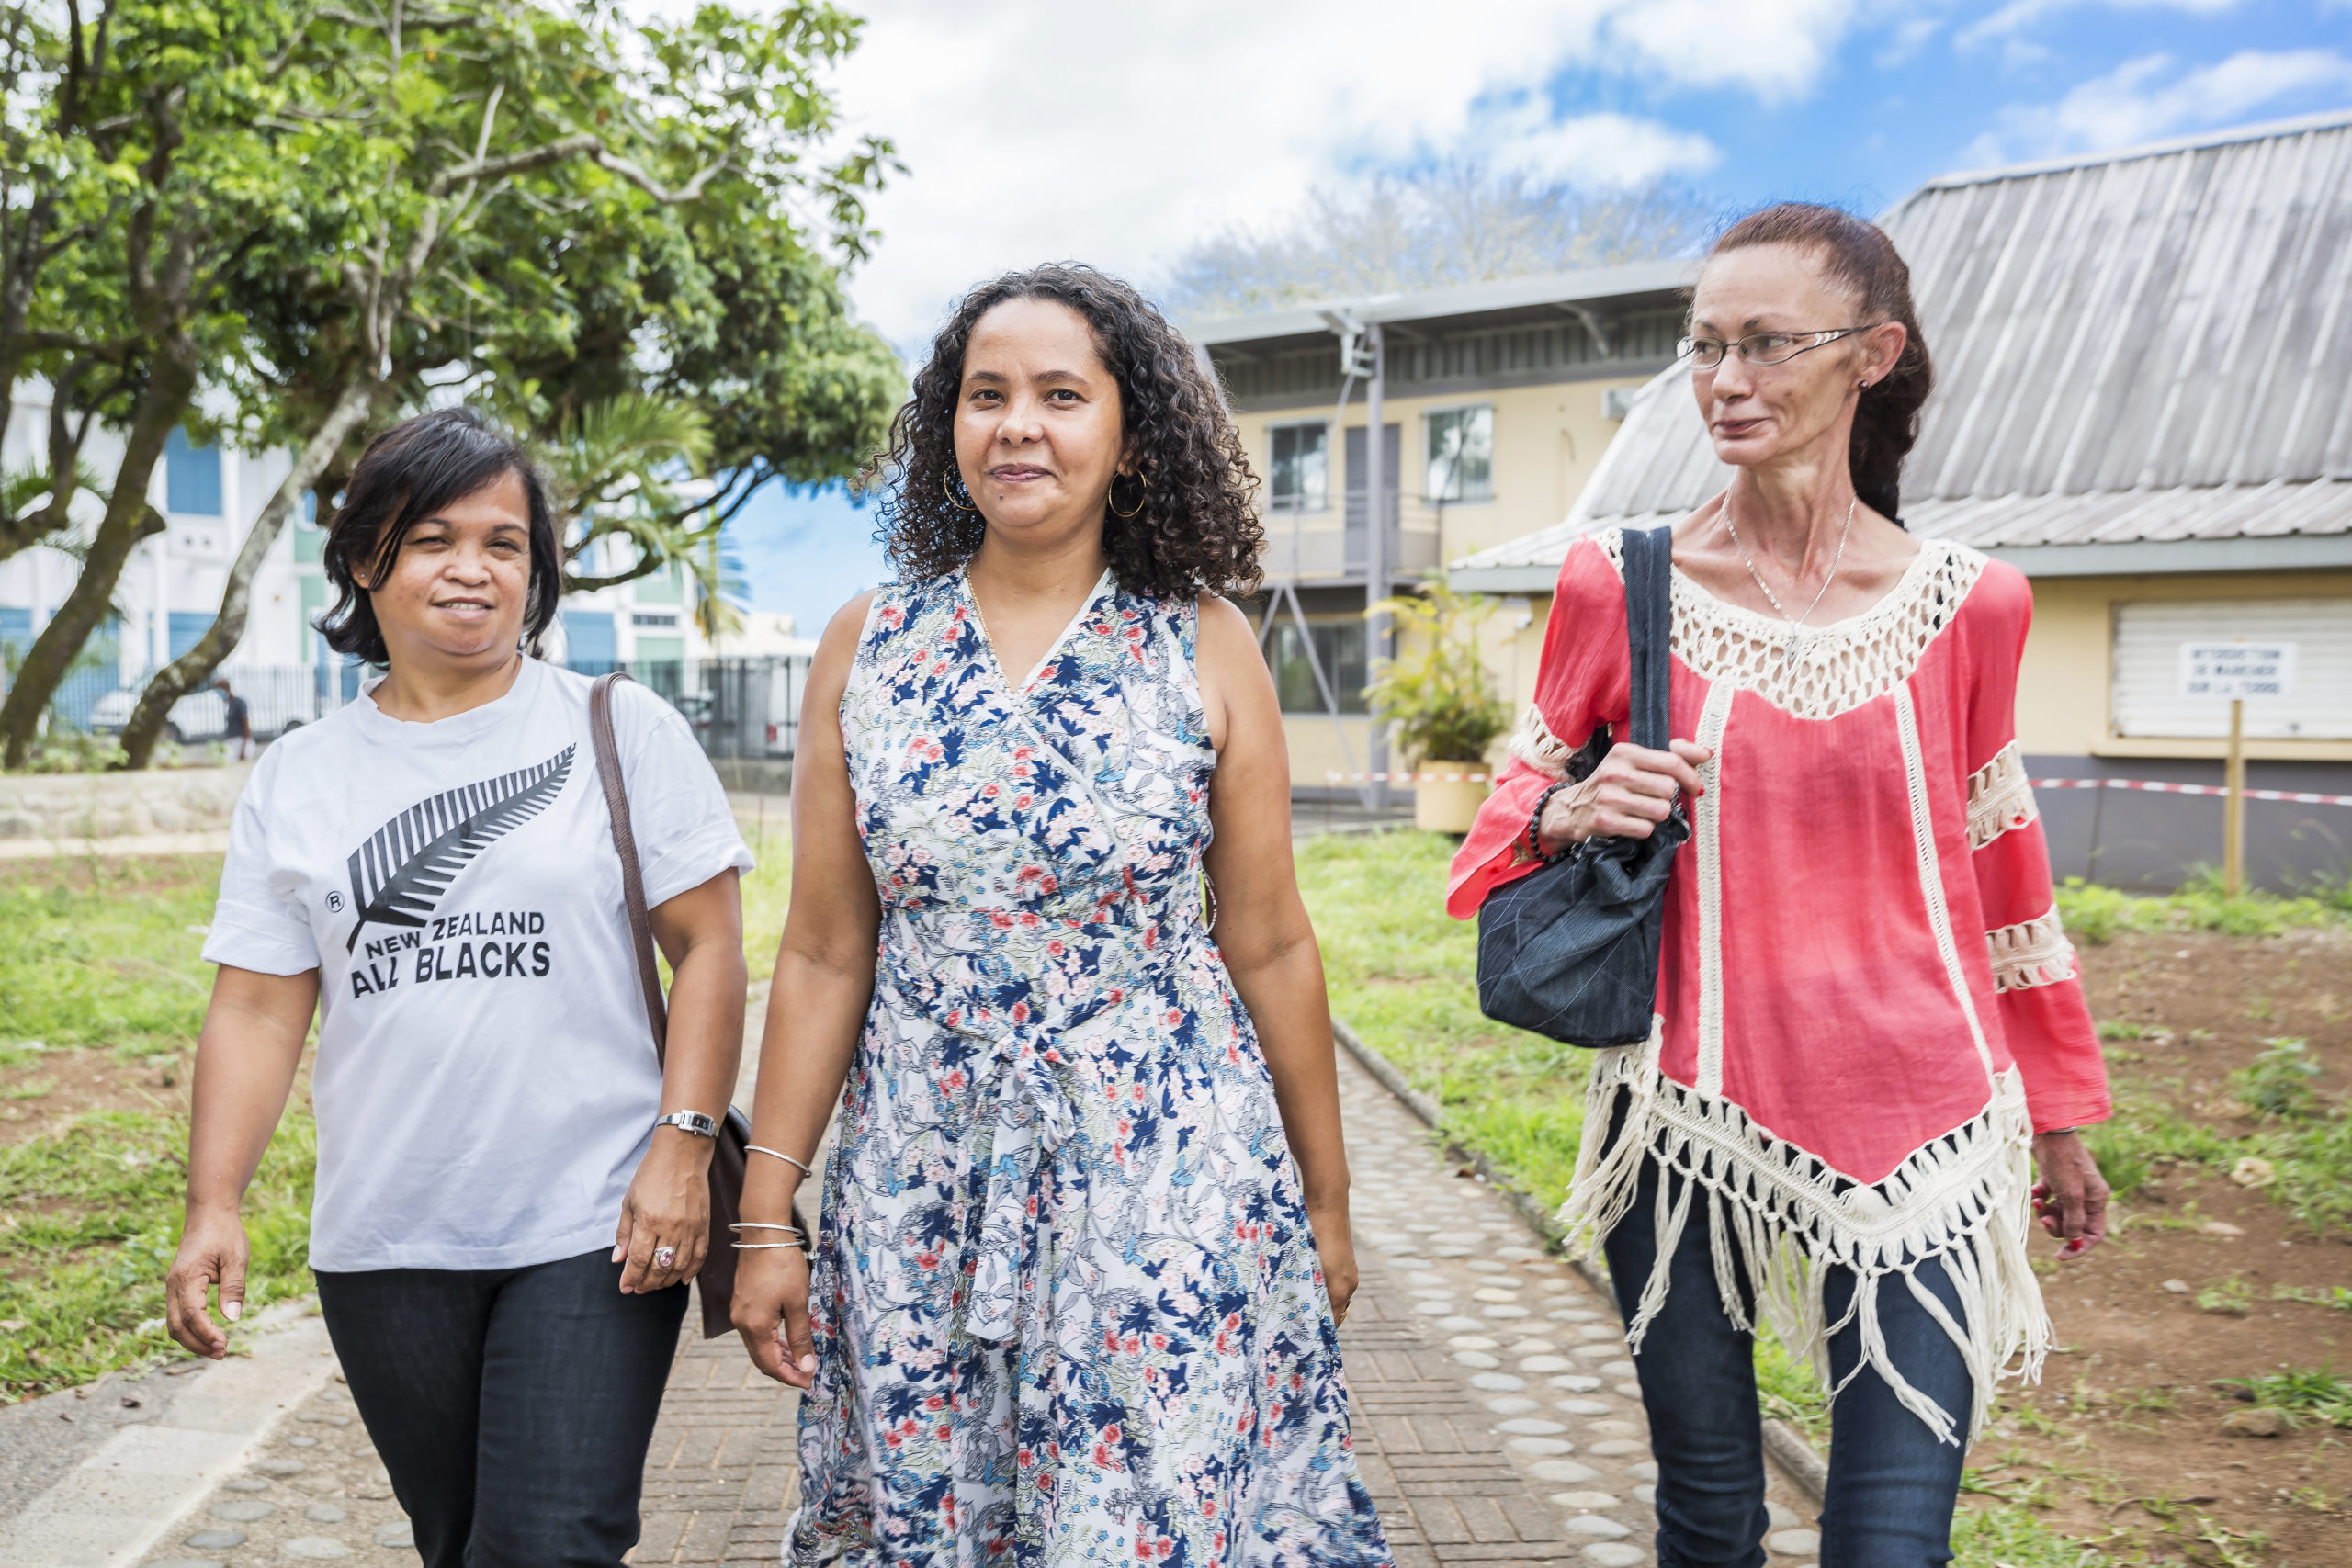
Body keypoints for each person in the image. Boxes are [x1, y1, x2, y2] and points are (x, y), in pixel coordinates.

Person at [1447, 204, 2112, 1566]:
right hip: (1683, 1117)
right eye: (1704, 348)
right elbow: (1494, 836)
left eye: (1765, 346)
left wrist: (2059, 1112)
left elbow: (2004, 864)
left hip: (1928, 1119)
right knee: (1708, 1518)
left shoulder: (1975, 602)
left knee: (1893, 1541)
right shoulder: (1616, 581)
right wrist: (1577, 805)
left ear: (1871, 354)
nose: (1726, 382)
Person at [729, 265, 1391, 1565]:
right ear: (948, 429)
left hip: (1165, 1173)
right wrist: (766, 1218)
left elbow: (1267, 940)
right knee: (940, 1513)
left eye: (1059, 394)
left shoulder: (1204, 643)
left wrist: (1326, 1198)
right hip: (921, 1177)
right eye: (986, 395)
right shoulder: (867, 645)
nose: (1017, 425)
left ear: (1130, 435)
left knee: (1145, 1517)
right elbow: (820, 949)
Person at [164, 408, 753, 1568]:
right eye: (434, 538)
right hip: (390, 1233)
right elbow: (256, 1004)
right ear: (363, 561)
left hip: (596, 1220)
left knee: (551, 1541)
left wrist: (682, 1149)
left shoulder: (616, 725)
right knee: (459, 1540)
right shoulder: (301, 775)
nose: (473, 570)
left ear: (536, 572)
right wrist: (214, 1201)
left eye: (506, 542)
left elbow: (715, 948)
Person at [215, 677, 253, 761]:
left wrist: (244, 748)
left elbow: (246, 724)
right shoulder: (228, 704)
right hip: (231, 741)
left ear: (226, 688)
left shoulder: (239, 703)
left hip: (241, 742)